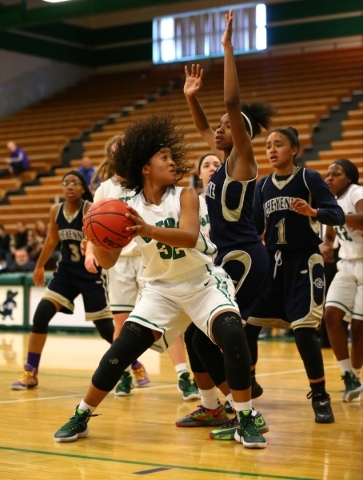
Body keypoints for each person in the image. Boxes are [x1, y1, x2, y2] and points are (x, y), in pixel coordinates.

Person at [54, 111, 267, 449]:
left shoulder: (184, 196)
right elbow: (109, 260)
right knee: (119, 351)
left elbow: (187, 235)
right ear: (145, 167)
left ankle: (246, 419)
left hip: (202, 282)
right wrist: (96, 239)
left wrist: (147, 229)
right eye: (163, 157)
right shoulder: (123, 206)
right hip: (160, 291)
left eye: (171, 156)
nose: (172, 162)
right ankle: (81, 414)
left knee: (231, 332)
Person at [177, 10, 273, 439]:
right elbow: (202, 125)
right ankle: (221, 406)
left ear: (240, 134)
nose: (216, 131)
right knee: (200, 337)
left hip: (245, 260)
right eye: (216, 127)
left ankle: (243, 410)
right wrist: (190, 97)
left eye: (224, 127)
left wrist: (228, 48)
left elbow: (233, 105)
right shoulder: (218, 168)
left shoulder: (243, 161)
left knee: (210, 335)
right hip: (230, 258)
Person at [86, 136, 199, 399]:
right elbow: (93, 227)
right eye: (116, 151)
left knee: (166, 320)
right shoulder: (104, 189)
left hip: (148, 254)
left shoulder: (142, 187)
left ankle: (183, 375)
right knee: (121, 322)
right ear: (111, 158)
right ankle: (124, 375)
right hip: (119, 262)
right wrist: (91, 252)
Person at [245, 126, 345, 424]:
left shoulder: (308, 178)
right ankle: (250, 381)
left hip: (304, 262)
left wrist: (313, 212)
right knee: (247, 326)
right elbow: (253, 225)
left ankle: (320, 396)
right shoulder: (262, 186)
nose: (272, 150)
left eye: (279, 145)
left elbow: (337, 214)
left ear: (294, 149)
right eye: (268, 146)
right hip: (272, 264)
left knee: (303, 332)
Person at [11, 171, 115, 390]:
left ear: (82, 187)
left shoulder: (88, 209)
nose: (69, 186)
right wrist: (39, 265)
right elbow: (50, 240)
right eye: (65, 182)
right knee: (41, 315)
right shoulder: (55, 211)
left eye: (75, 182)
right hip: (65, 273)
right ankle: (30, 372)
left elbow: (97, 236)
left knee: (105, 328)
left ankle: (134, 364)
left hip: (89, 274)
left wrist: (90, 244)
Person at [320, 159, 363, 402]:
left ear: (349, 177)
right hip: (346, 265)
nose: (329, 178)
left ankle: (356, 376)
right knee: (331, 315)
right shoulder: (332, 204)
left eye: (335, 174)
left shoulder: (357, 192)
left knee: (358, 328)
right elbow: (329, 235)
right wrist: (326, 245)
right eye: (327, 174)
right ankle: (349, 376)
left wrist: (338, 215)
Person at [197, 153, 221, 236]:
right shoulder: (194, 202)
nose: (212, 168)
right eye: (206, 166)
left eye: (216, 165)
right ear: (199, 174)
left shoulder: (232, 200)